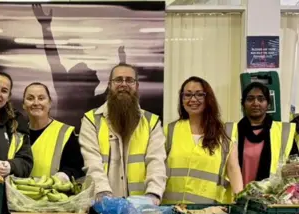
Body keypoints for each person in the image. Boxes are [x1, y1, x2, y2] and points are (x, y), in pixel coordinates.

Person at [79, 63, 167, 204]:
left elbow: (156, 162)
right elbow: (92, 162)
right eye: (118, 80)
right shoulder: (91, 120)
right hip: (101, 209)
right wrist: (103, 195)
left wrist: (153, 195)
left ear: (137, 86)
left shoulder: (151, 122)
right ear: (109, 85)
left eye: (129, 80)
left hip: (140, 211)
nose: (124, 84)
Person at [163, 76, 243, 204]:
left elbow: (233, 169)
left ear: (208, 98)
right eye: (187, 95)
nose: (193, 99)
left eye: (199, 94)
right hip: (172, 211)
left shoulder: (225, 133)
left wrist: (241, 200)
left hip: (209, 213)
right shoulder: (170, 130)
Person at [228, 82, 297, 187]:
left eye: (261, 99)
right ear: (243, 104)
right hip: (236, 197)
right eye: (250, 99)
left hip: (270, 197)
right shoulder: (230, 131)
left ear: (268, 104)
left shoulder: (284, 132)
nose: (256, 103)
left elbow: (294, 166)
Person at [23, 82, 84, 181]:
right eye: (30, 98)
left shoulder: (64, 133)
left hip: (53, 194)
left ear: (50, 103)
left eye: (41, 98)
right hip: (16, 193)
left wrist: (65, 175)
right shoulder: (16, 133)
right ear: (23, 105)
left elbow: (76, 167)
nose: (36, 103)